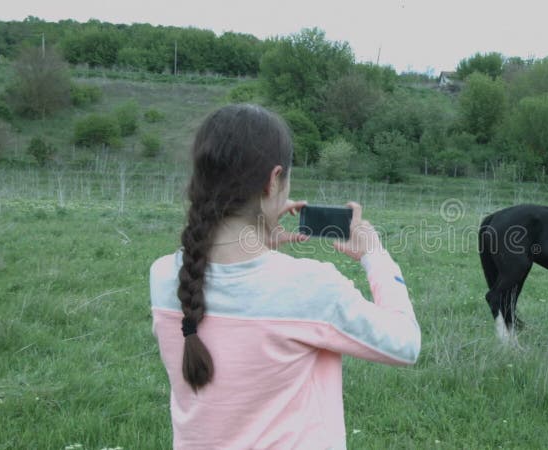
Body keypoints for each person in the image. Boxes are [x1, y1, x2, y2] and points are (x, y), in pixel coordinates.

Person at [149, 104, 420, 449]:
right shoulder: (311, 286)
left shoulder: (163, 276)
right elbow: (405, 344)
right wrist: (375, 257)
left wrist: (258, 240)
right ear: (274, 179)